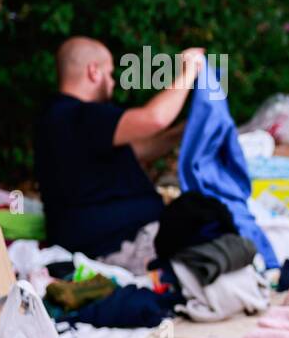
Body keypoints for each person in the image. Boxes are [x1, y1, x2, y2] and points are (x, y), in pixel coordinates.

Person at [34, 37, 204, 272]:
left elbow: (140, 150)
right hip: (115, 246)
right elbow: (154, 119)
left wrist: (183, 131)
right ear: (94, 72)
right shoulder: (79, 115)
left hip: (109, 239)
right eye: (110, 73)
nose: (113, 83)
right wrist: (189, 71)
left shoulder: (60, 119)